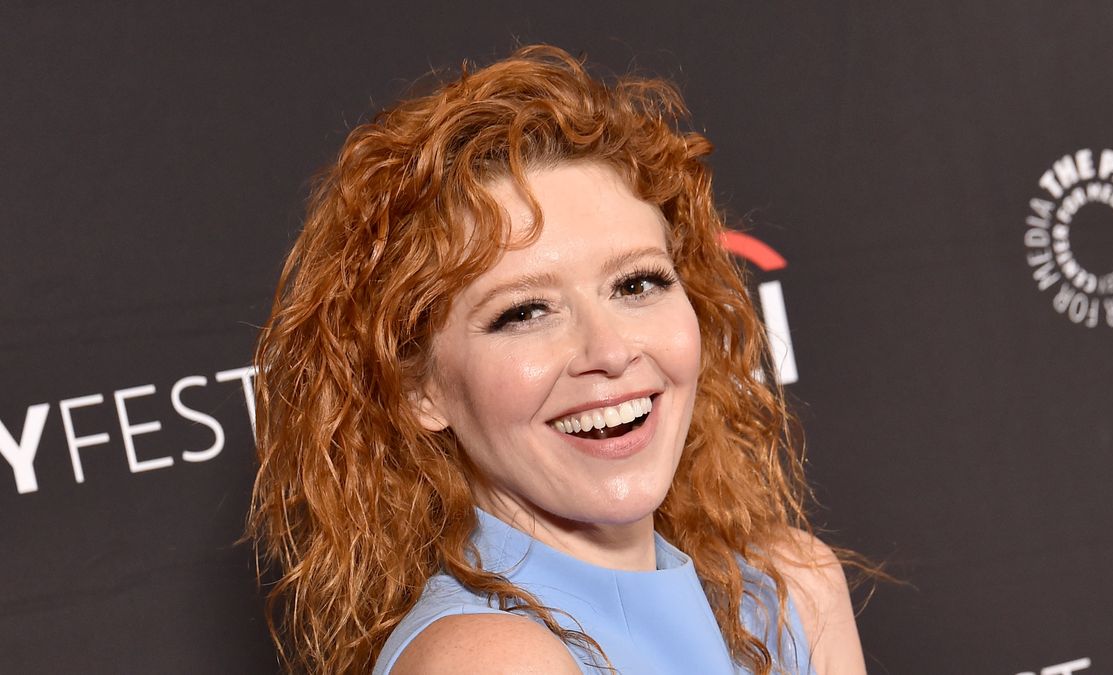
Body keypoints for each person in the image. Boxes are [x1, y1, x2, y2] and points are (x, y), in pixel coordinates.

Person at [248, 45, 867, 675]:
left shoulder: (793, 587)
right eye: (524, 312)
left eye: (636, 284)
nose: (610, 351)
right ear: (418, 388)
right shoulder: (487, 660)